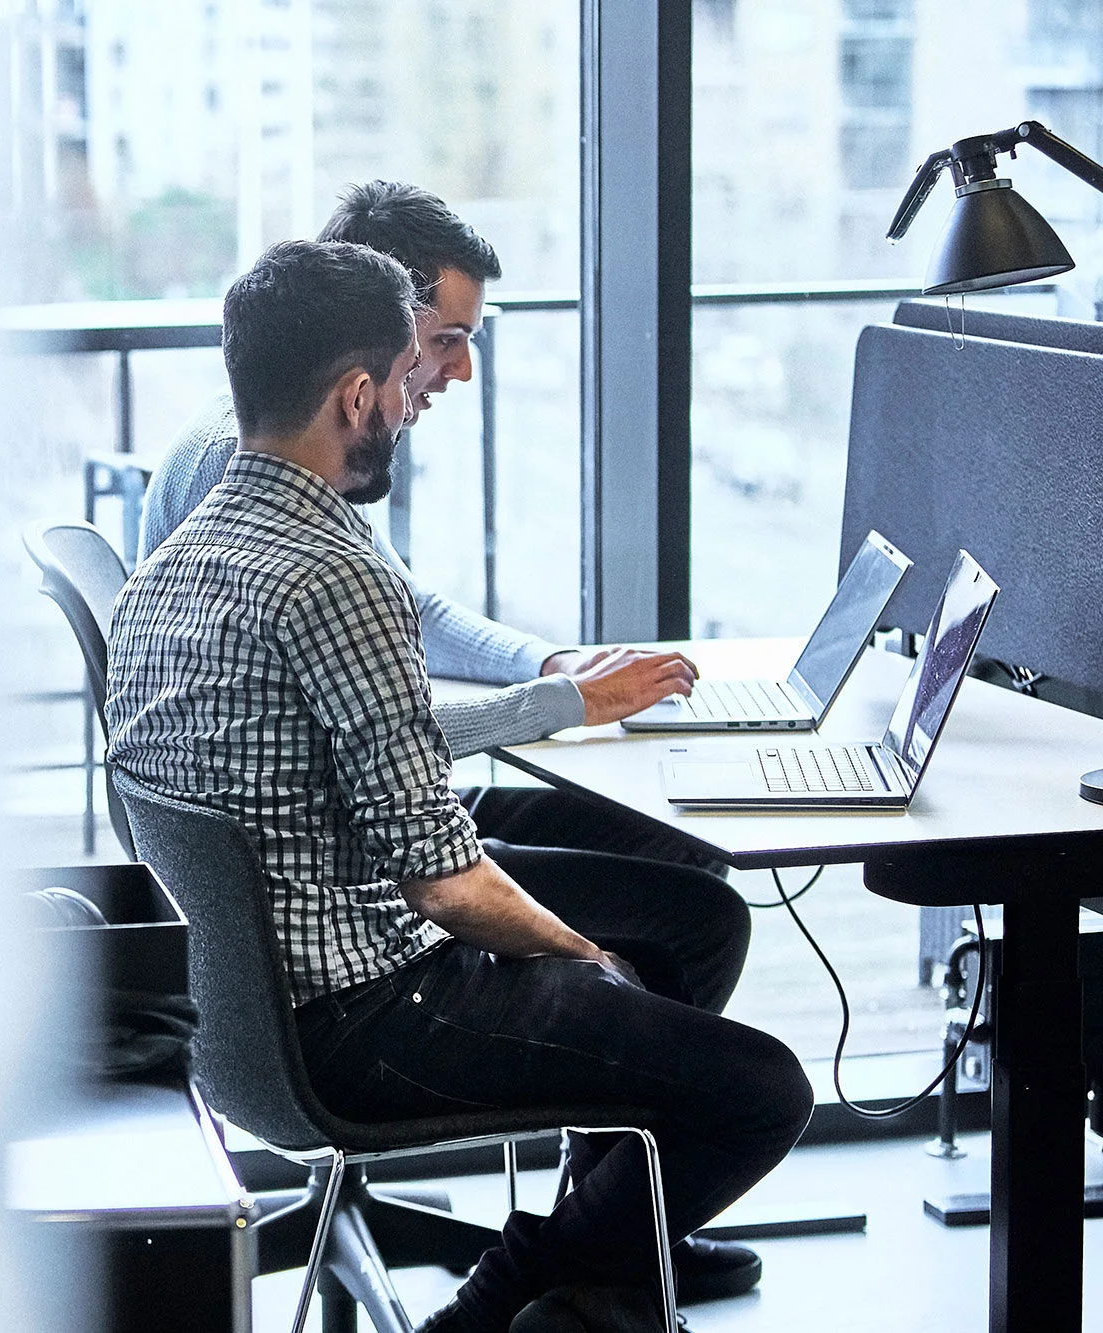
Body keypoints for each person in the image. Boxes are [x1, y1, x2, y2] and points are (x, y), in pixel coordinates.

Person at [106, 239, 812, 1330]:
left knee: (685, 933)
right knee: (759, 1089)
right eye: (402, 380)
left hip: (240, 1019)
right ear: (354, 396)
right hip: (365, 1012)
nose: (412, 401)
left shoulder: (168, 565)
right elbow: (442, 886)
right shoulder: (336, 573)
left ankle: (600, 1276)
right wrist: (585, 959)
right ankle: (511, 1293)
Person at [139, 181, 720, 872]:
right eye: (445, 341)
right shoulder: (246, 466)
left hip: (343, 820)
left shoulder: (293, 432)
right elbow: (376, 741)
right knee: (685, 888)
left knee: (664, 845)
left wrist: (548, 663)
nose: (460, 369)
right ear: (377, 319)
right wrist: (560, 701)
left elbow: (411, 612)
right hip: (325, 863)